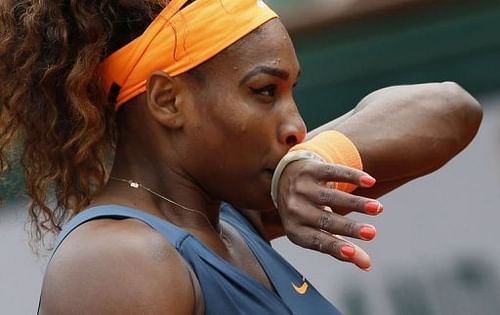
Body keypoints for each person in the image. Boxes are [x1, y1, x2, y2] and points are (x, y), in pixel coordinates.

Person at [0, 0, 482, 314]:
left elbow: (452, 108)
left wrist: (315, 158)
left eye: (292, 91)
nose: (296, 126)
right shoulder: (118, 261)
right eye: (264, 91)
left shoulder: (233, 219)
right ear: (169, 100)